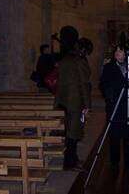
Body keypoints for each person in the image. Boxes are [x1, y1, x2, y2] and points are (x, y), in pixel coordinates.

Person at [55, 27, 91, 170]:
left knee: (70, 131)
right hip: (75, 102)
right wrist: (87, 104)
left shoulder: (65, 59)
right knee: (73, 133)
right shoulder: (79, 61)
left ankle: (73, 159)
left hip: (64, 100)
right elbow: (84, 84)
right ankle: (69, 163)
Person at [99, 45, 129, 172]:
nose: (118, 53)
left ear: (126, 54)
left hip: (128, 106)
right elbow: (103, 84)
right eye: (117, 51)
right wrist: (111, 96)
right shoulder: (109, 66)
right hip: (115, 105)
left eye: (121, 51)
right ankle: (115, 161)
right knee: (114, 135)